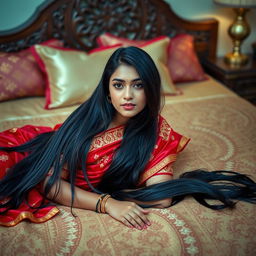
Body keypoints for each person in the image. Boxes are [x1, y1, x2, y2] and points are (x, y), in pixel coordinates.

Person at [0, 46, 255, 228]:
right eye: (119, 85)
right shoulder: (85, 122)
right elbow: (50, 184)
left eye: (139, 85)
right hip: (28, 152)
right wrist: (107, 203)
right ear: (108, 91)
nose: (128, 95)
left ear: (151, 89)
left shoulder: (157, 131)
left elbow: (162, 197)